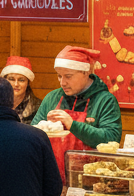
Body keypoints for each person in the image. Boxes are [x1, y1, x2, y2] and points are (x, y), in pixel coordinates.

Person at [31, 45, 122, 182]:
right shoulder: (52, 98)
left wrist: (73, 125)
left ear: (86, 72)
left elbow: (111, 138)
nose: (63, 82)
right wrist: (44, 127)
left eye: (68, 76)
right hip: (53, 178)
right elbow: (33, 135)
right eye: (59, 76)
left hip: (92, 179)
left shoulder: (105, 100)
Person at [1, 56, 40, 124]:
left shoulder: (39, 107)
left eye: (21, 80)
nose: (16, 84)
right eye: (11, 79)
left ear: (28, 83)